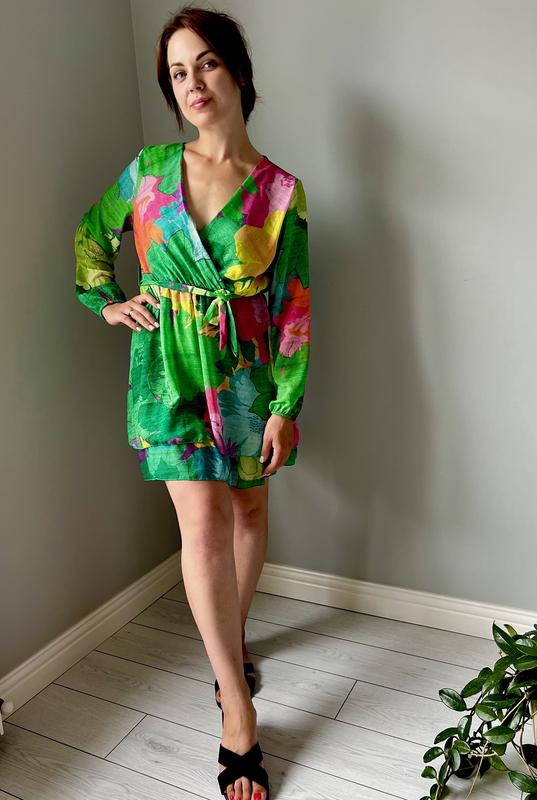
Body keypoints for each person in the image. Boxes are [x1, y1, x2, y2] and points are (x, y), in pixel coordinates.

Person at [74, 6, 311, 799]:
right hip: (168, 372)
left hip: (246, 375)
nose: (192, 82)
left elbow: (293, 305)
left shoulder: (280, 192)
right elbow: (91, 237)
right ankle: (237, 709)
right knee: (201, 524)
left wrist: (285, 404)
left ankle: (231, 646)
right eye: (177, 72)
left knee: (249, 511)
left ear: (237, 70)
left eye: (205, 62)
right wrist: (107, 299)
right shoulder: (147, 171)